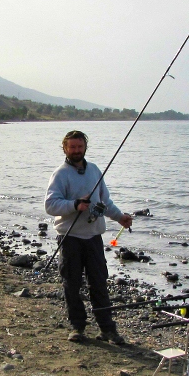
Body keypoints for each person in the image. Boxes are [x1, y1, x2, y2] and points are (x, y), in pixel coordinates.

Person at [45, 130, 133, 344]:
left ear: (85, 147)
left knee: (99, 283)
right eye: (72, 147)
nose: (76, 150)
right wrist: (75, 204)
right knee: (71, 284)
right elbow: (50, 205)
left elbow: (106, 202)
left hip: (93, 237)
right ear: (65, 148)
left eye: (79, 146)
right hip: (69, 237)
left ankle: (108, 329)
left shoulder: (94, 170)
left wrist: (120, 217)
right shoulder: (60, 174)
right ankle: (78, 327)